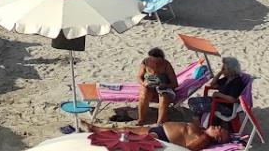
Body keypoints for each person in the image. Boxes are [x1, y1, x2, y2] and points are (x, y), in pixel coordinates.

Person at [84, 120, 229, 150]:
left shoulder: (203, 139)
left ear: (218, 138)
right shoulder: (203, 129)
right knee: (127, 128)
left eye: (220, 130)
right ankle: (97, 129)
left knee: (127, 134)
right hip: (160, 129)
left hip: (162, 138)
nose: (218, 126)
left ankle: (99, 134)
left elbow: (188, 149)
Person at [188, 57, 246, 127]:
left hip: (226, 107)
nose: (223, 71)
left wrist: (218, 94)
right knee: (191, 101)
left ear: (231, 70)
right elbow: (212, 84)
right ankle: (199, 121)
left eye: (224, 69)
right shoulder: (228, 78)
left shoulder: (236, 82)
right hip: (217, 102)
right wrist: (220, 73)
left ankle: (197, 126)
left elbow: (232, 99)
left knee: (195, 107)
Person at [137, 47, 179, 124]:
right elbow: (139, 77)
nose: (154, 63)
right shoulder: (145, 62)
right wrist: (144, 84)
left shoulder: (166, 65)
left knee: (164, 96)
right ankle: (141, 119)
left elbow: (175, 83)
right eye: (152, 60)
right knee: (144, 94)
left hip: (163, 87)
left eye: (156, 61)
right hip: (149, 87)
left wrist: (165, 85)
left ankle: (160, 121)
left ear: (161, 59)